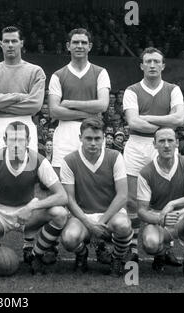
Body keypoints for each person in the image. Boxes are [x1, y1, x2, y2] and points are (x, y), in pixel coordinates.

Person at [0, 121, 68, 274]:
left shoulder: (39, 161)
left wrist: (31, 207)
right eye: (12, 139)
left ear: (28, 141)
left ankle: (35, 255)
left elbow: (62, 196)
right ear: (4, 140)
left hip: (28, 213)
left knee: (60, 214)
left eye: (21, 139)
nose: (16, 144)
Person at [123, 47, 184, 262]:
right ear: (141, 65)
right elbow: (133, 122)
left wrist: (147, 118)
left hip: (163, 145)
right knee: (132, 200)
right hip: (136, 145)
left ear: (163, 65)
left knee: (166, 198)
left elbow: (179, 120)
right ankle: (132, 248)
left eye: (156, 61)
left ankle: (166, 247)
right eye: (147, 61)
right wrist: (164, 120)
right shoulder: (131, 90)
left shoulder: (173, 89)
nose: (152, 65)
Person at [56, 117, 132, 276]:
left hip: (110, 215)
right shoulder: (69, 161)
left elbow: (123, 195)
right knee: (69, 239)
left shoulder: (115, 157)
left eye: (97, 138)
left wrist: (101, 222)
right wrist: (90, 225)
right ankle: (82, 253)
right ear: (80, 138)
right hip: (83, 215)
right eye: (88, 138)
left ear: (104, 138)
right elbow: (69, 199)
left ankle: (116, 257)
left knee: (124, 225)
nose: (93, 143)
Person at [137, 128, 184, 280]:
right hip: (159, 217)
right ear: (154, 144)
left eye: (170, 140)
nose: (166, 145)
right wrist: (159, 218)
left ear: (177, 143)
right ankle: (162, 253)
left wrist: (173, 204)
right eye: (162, 141)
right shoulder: (146, 172)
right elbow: (141, 211)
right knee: (150, 243)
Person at [49, 28, 110, 176]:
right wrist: (90, 113)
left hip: (93, 133)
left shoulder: (101, 72)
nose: (79, 46)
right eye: (75, 42)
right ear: (68, 46)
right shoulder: (57, 75)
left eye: (84, 42)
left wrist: (69, 103)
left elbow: (103, 105)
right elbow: (54, 111)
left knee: (94, 179)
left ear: (90, 46)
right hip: (65, 132)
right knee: (62, 180)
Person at [0, 26, 45, 155]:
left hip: (25, 124)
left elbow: (35, 105)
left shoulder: (36, 71)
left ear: (21, 43)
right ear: (1, 44)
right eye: (6, 41)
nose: (10, 45)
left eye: (14, 41)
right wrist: (17, 97)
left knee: (27, 172)